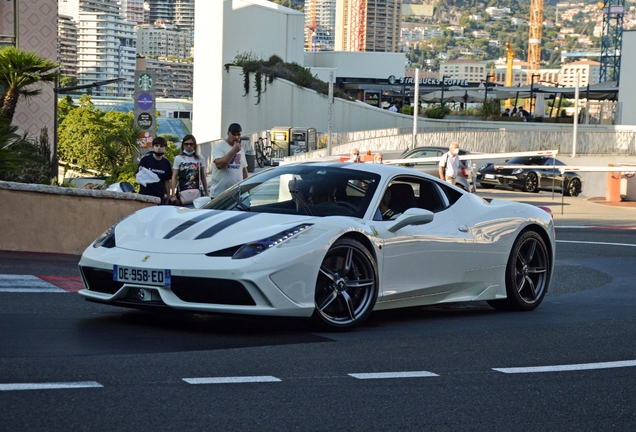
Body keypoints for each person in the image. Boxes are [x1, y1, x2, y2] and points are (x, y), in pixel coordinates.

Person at [209, 123, 249, 198]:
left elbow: (244, 170)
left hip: (236, 194)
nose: (236, 137)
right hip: (220, 194)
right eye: (233, 134)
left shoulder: (240, 149)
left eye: (238, 135)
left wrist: (247, 189)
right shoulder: (219, 147)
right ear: (228, 134)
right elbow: (220, 165)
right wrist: (233, 151)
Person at [169, 134, 208, 205]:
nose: (188, 146)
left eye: (191, 144)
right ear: (183, 146)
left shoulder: (200, 158)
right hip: (182, 192)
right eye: (186, 144)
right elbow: (174, 177)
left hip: (197, 192)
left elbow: (203, 177)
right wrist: (173, 194)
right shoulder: (178, 158)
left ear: (194, 146)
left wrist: (207, 193)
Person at [137, 136, 172, 204]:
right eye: (157, 145)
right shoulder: (145, 160)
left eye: (162, 146)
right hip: (145, 195)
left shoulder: (166, 163)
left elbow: (167, 181)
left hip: (160, 196)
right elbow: (139, 176)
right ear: (153, 147)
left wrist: (168, 196)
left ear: (165, 148)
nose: (159, 148)